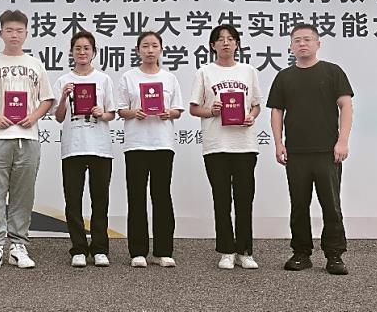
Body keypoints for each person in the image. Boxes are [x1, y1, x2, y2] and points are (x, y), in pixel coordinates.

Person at [267, 23, 354, 275]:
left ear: (318, 43)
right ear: (291, 46)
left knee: (331, 205)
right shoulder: (284, 77)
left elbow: (346, 106)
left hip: (328, 152)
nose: (302, 44)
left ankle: (334, 255)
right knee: (299, 205)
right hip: (296, 152)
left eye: (307, 39)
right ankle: (301, 253)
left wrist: (342, 141)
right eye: (297, 40)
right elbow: (277, 111)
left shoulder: (333, 72)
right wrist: (279, 143)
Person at [0, 9, 55, 270]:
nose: (14, 35)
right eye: (9, 30)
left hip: (27, 137)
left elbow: (47, 99)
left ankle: (18, 245)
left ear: (26, 33)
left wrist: (34, 117)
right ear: (1, 33)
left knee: (23, 195)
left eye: (19, 31)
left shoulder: (35, 64)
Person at [189, 24, 263, 270]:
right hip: (216, 145)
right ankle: (226, 251)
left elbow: (256, 104)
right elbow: (193, 108)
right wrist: (211, 111)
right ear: (213, 45)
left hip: (244, 145)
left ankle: (245, 251)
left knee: (245, 199)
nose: (226, 43)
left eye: (231, 39)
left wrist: (251, 116)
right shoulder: (204, 72)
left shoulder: (248, 71)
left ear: (237, 44)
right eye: (220, 39)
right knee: (221, 199)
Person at [115, 31, 186, 268]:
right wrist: (134, 112)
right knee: (136, 197)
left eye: (154, 46)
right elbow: (121, 110)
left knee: (162, 196)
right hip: (136, 144)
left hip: (162, 144)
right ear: (138, 50)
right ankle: (138, 252)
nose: (150, 50)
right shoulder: (128, 77)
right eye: (145, 46)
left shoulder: (169, 78)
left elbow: (177, 110)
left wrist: (169, 113)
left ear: (161, 50)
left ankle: (163, 251)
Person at [52, 30, 117, 268]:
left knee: (100, 200)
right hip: (73, 148)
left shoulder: (104, 79)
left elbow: (112, 114)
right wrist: (63, 97)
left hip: (99, 148)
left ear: (94, 52)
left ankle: (100, 248)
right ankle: (78, 248)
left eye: (86, 48)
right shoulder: (63, 80)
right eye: (77, 48)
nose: (82, 52)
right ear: (71, 52)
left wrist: (102, 113)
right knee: (73, 200)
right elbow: (59, 117)